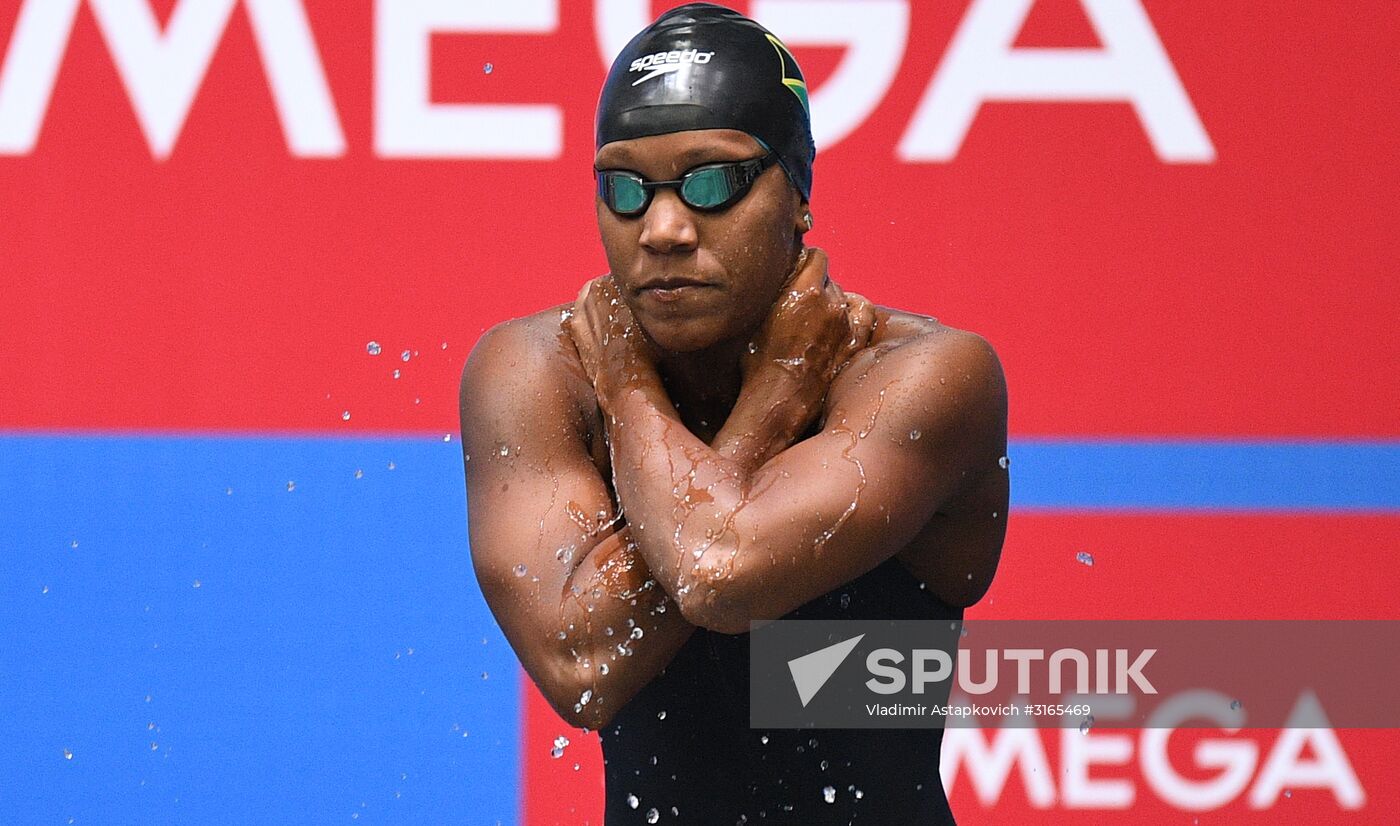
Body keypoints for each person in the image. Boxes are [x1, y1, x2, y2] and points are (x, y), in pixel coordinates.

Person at [459, 4, 1007, 823]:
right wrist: (766, 398)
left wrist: (638, 385)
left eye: (712, 184)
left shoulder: (922, 375)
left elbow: (721, 577)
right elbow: (582, 667)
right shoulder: (545, 370)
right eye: (626, 190)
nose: (665, 228)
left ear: (797, 196)